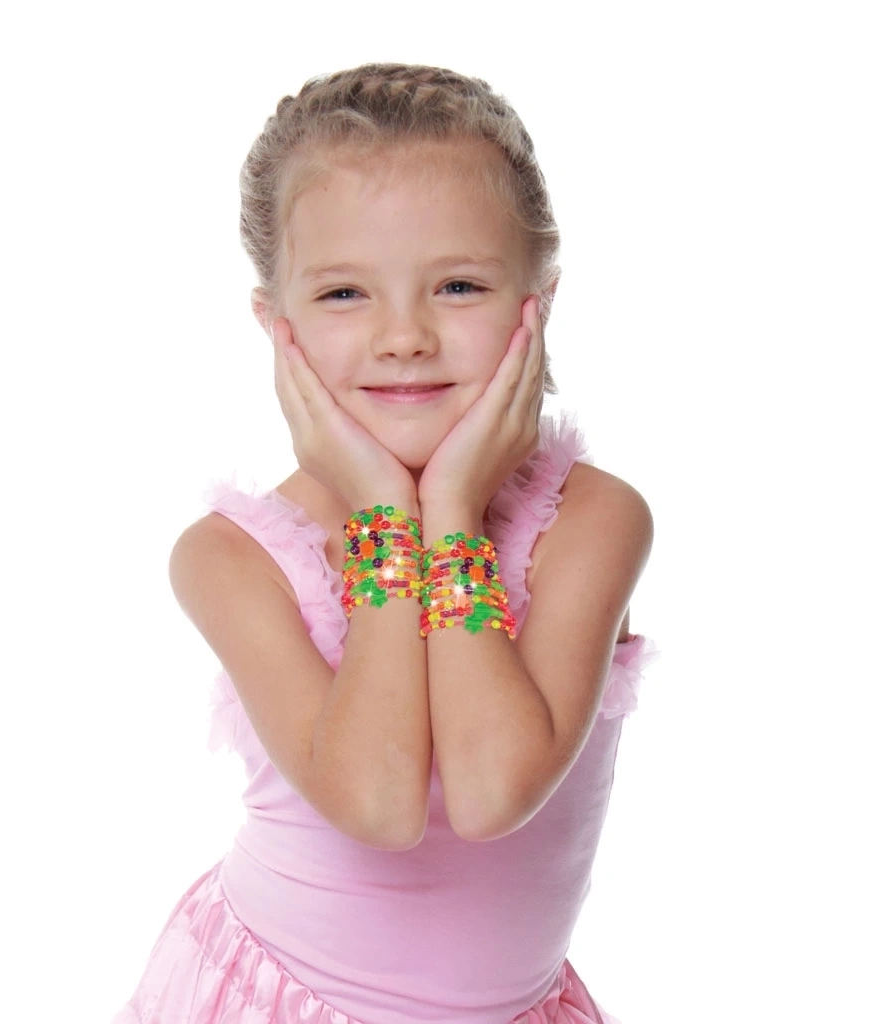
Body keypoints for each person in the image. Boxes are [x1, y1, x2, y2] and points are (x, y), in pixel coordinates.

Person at [111, 62, 661, 1024]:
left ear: (538, 303)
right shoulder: (232, 559)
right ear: (276, 325)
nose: (404, 336)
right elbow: (378, 804)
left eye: (457, 285)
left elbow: (493, 793)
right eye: (343, 294)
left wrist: (450, 507)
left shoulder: (591, 521)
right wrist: (385, 520)